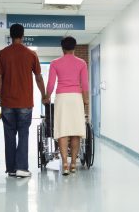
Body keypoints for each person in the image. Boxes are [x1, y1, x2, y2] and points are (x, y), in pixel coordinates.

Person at [0, 23, 47, 178]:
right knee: (23, 134)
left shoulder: (2, 54)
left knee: (9, 135)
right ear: (23, 36)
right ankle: (22, 168)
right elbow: (38, 78)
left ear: (11, 36)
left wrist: (2, 98)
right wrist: (43, 95)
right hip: (25, 103)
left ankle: (11, 169)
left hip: (8, 104)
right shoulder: (31, 54)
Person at [44, 36, 89, 175]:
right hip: (76, 98)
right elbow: (85, 84)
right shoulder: (81, 63)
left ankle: (64, 164)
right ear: (74, 47)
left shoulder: (55, 63)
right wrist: (85, 100)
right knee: (75, 131)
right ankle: (73, 164)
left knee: (63, 131)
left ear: (62, 48)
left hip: (62, 98)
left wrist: (46, 96)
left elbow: (51, 83)